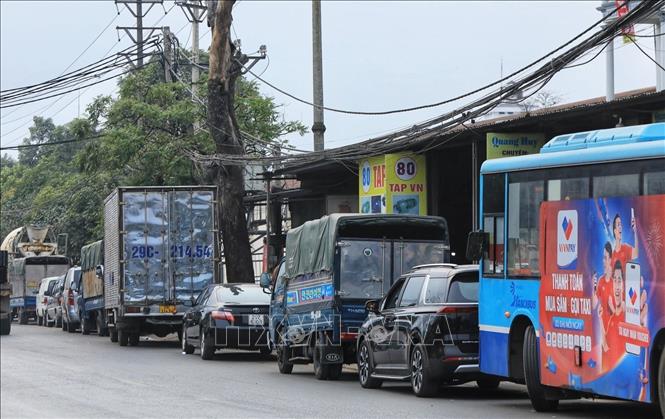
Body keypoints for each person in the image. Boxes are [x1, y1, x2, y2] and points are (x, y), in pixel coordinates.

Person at [593, 242, 615, 354]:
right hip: (604, 337)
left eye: (606, 258)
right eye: (603, 258)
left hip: (613, 335)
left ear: (610, 260)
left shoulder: (616, 283)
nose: (603, 261)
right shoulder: (601, 281)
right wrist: (593, 285)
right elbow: (594, 304)